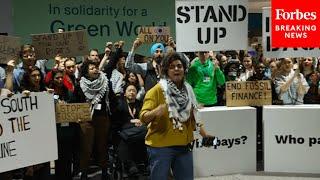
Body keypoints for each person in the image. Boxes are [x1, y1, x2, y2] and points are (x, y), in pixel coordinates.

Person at [140, 52, 212, 180]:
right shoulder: (157, 90)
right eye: (172, 66)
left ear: (185, 69)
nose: (176, 69)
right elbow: (143, 117)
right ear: (166, 71)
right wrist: (155, 111)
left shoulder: (189, 90)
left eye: (179, 66)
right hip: (160, 147)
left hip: (184, 146)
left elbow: (193, 117)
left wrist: (205, 135)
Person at [79, 61, 112, 180]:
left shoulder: (105, 82)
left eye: (96, 67)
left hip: (102, 118)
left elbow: (111, 99)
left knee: (102, 145)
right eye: (92, 68)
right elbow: (76, 100)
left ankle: (104, 171)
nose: (95, 70)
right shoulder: (81, 84)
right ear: (86, 72)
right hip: (86, 120)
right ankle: (84, 173)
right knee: (86, 147)